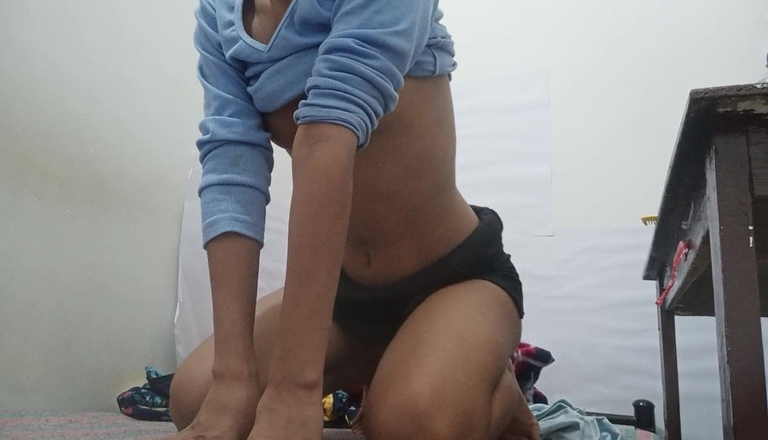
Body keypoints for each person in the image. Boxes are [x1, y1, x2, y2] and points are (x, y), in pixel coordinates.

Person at [166, 0, 539, 438]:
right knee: (193, 398)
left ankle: (499, 389)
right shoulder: (219, 12)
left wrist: (294, 388)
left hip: (455, 279)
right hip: (343, 298)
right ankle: (392, 364)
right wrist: (232, 379)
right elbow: (231, 161)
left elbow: (327, 133)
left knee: (409, 427)